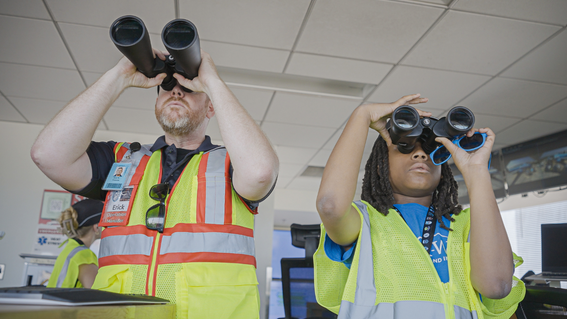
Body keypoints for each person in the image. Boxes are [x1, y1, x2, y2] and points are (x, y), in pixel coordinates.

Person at [31, 48, 279, 318]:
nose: (176, 91)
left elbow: (260, 172)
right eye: (167, 85)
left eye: (188, 87)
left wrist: (213, 84)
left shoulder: (232, 164)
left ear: (211, 107)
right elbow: (48, 155)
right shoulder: (123, 159)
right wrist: (119, 76)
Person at [313, 94, 525, 319]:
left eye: (430, 148)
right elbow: (330, 205)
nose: (421, 153)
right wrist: (362, 115)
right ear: (379, 167)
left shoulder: (469, 223)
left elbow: (496, 286)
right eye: (404, 147)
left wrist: (477, 171)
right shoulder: (364, 221)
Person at [47, 199, 103, 288]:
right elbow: (97, 293)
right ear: (96, 227)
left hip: (54, 301)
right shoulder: (84, 255)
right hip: (65, 301)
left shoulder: (70, 247)